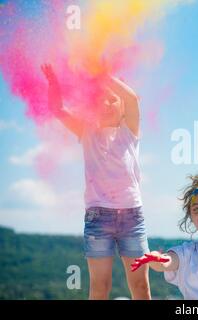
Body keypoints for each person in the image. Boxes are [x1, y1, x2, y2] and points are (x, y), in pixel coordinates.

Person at [41, 64, 151, 300]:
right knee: (100, 287)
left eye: (113, 99)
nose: (107, 104)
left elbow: (131, 98)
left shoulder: (129, 130)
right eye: (100, 100)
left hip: (132, 217)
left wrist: (102, 76)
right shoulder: (87, 130)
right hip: (98, 218)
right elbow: (57, 109)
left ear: (122, 107)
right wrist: (53, 84)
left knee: (141, 288)